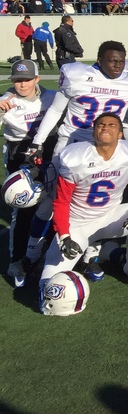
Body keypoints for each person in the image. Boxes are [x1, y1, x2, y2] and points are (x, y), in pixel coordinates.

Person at [39, 113, 128, 297]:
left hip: (109, 218)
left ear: (121, 133)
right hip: (77, 224)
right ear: (93, 132)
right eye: (101, 125)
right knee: (48, 287)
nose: (106, 127)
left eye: (112, 125)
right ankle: (94, 253)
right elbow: (61, 202)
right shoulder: (75, 158)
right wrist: (64, 236)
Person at [0, 60, 56, 286]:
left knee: (54, 202)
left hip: (50, 151)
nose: (22, 84)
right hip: (19, 155)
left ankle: (49, 252)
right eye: (17, 80)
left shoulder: (51, 97)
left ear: (37, 79)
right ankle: (17, 259)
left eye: (26, 79)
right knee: (23, 209)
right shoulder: (6, 101)